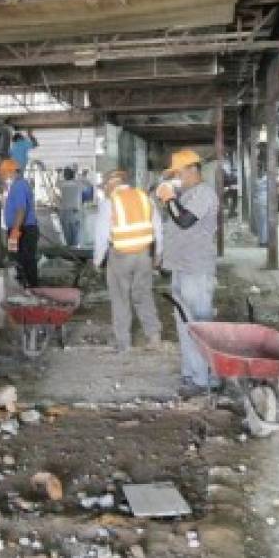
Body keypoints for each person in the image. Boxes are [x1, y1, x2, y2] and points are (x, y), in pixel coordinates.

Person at [155, 149, 219, 397]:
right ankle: (192, 373)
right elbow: (175, 222)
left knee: (197, 323)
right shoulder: (188, 194)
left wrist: (170, 199)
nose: (177, 179)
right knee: (185, 322)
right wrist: (168, 200)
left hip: (196, 268)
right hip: (182, 267)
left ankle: (204, 379)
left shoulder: (204, 193)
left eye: (178, 173)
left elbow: (184, 221)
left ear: (192, 169)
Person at [94, 169, 162, 353]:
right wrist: (158, 254)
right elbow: (157, 227)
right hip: (144, 255)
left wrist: (97, 261)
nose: (105, 190)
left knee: (120, 298)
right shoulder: (144, 198)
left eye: (105, 186)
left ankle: (123, 343)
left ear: (111, 184)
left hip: (120, 256)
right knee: (144, 295)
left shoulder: (109, 203)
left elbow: (101, 236)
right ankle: (153, 336)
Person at [0, 157, 40, 288]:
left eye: (3, 174)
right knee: (17, 259)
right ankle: (25, 288)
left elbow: (21, 210)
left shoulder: (18, 186)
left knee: (22, 261)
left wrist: (15, 232)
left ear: (11, 172)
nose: (2, 177)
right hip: (20, 229)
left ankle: (29, 289)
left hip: (21, 230)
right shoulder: (17, 185)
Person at [58, 166, 84, 247]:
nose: (64, 175)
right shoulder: (78, 184)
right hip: (73, 211)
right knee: (75, 233)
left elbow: (57, 182)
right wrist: (79, 174)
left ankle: (71, 250)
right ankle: (74, 250)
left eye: (65, 174)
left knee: (67, 233)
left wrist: (58, 174)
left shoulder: (62, 184)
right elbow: (88, 184)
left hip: (66, 212)